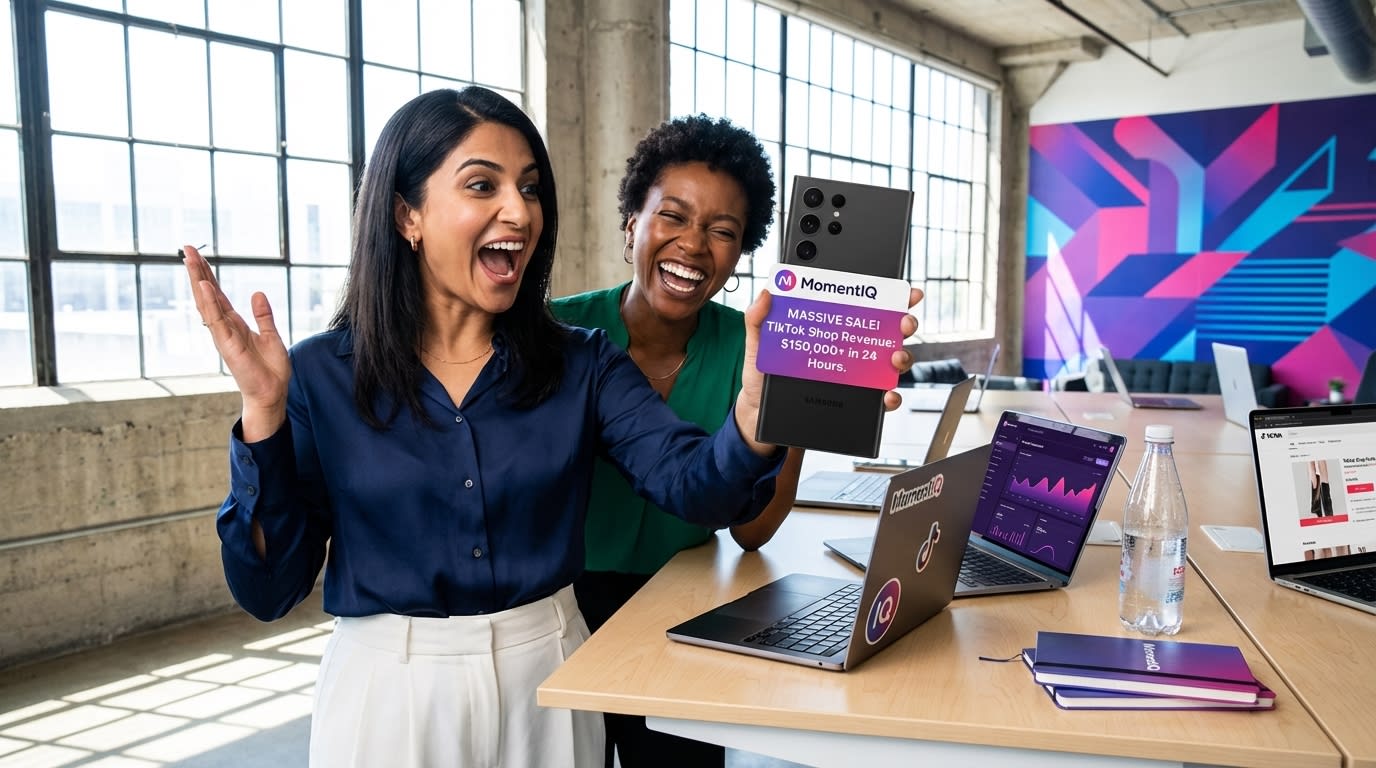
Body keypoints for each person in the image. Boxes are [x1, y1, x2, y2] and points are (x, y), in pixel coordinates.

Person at [183, 87, 920, 767]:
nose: (520, 211)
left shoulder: (581, 363)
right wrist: (265, 417)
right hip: (388, 694)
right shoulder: (318, 374)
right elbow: (269, 589)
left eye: (530, 188)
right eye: (484, 185)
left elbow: (694, 487)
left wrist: (759, 417)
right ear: (407, 214)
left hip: (550, 674)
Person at [551, 115, 803, 768]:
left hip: (684, 608)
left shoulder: (753, 351)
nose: (694, 246)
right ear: (632, 223)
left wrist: (800, 406)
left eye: (723, 231)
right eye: (673, 216)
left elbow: (752, 532)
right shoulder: (557, 335)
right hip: (560, 607)